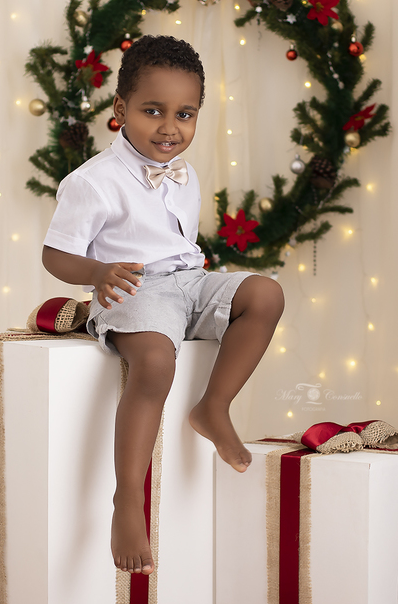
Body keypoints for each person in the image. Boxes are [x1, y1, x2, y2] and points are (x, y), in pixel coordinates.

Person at [41, 35, 285, 576]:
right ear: (120, 110)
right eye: (153, 111)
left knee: (265, 293)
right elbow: (55, 254)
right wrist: (97, 274)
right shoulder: (93, 182)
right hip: (134, 291)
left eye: (185, 114)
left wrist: (201, 290)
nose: (169, 127)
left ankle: (212, 406)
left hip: (188, 281)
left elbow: (183, 255)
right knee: (154, 362)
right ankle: (128, 496)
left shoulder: (186, 174)